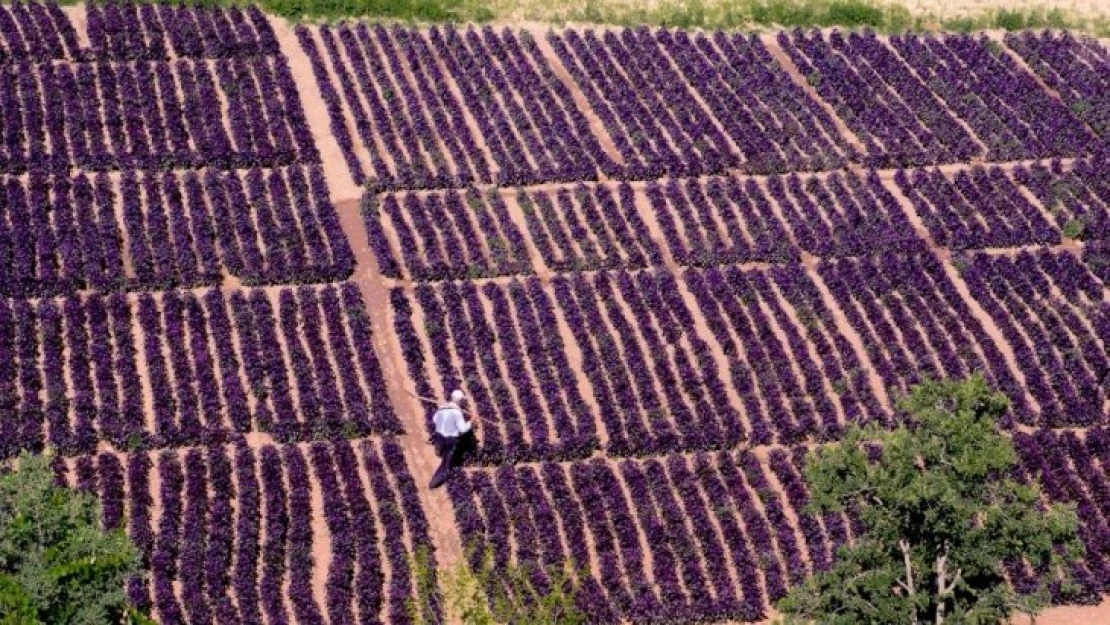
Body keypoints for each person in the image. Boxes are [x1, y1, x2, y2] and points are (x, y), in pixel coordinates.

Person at [429, 389, 473, 489]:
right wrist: (472, 420)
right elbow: (463, 429)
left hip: (439, 436)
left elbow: (434, 419)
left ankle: (439, 449)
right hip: (450, 439)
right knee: (446, 460)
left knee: (442, 449)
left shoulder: (442, 407)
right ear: (460, 401)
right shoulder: (457, 412)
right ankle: (436, 481)